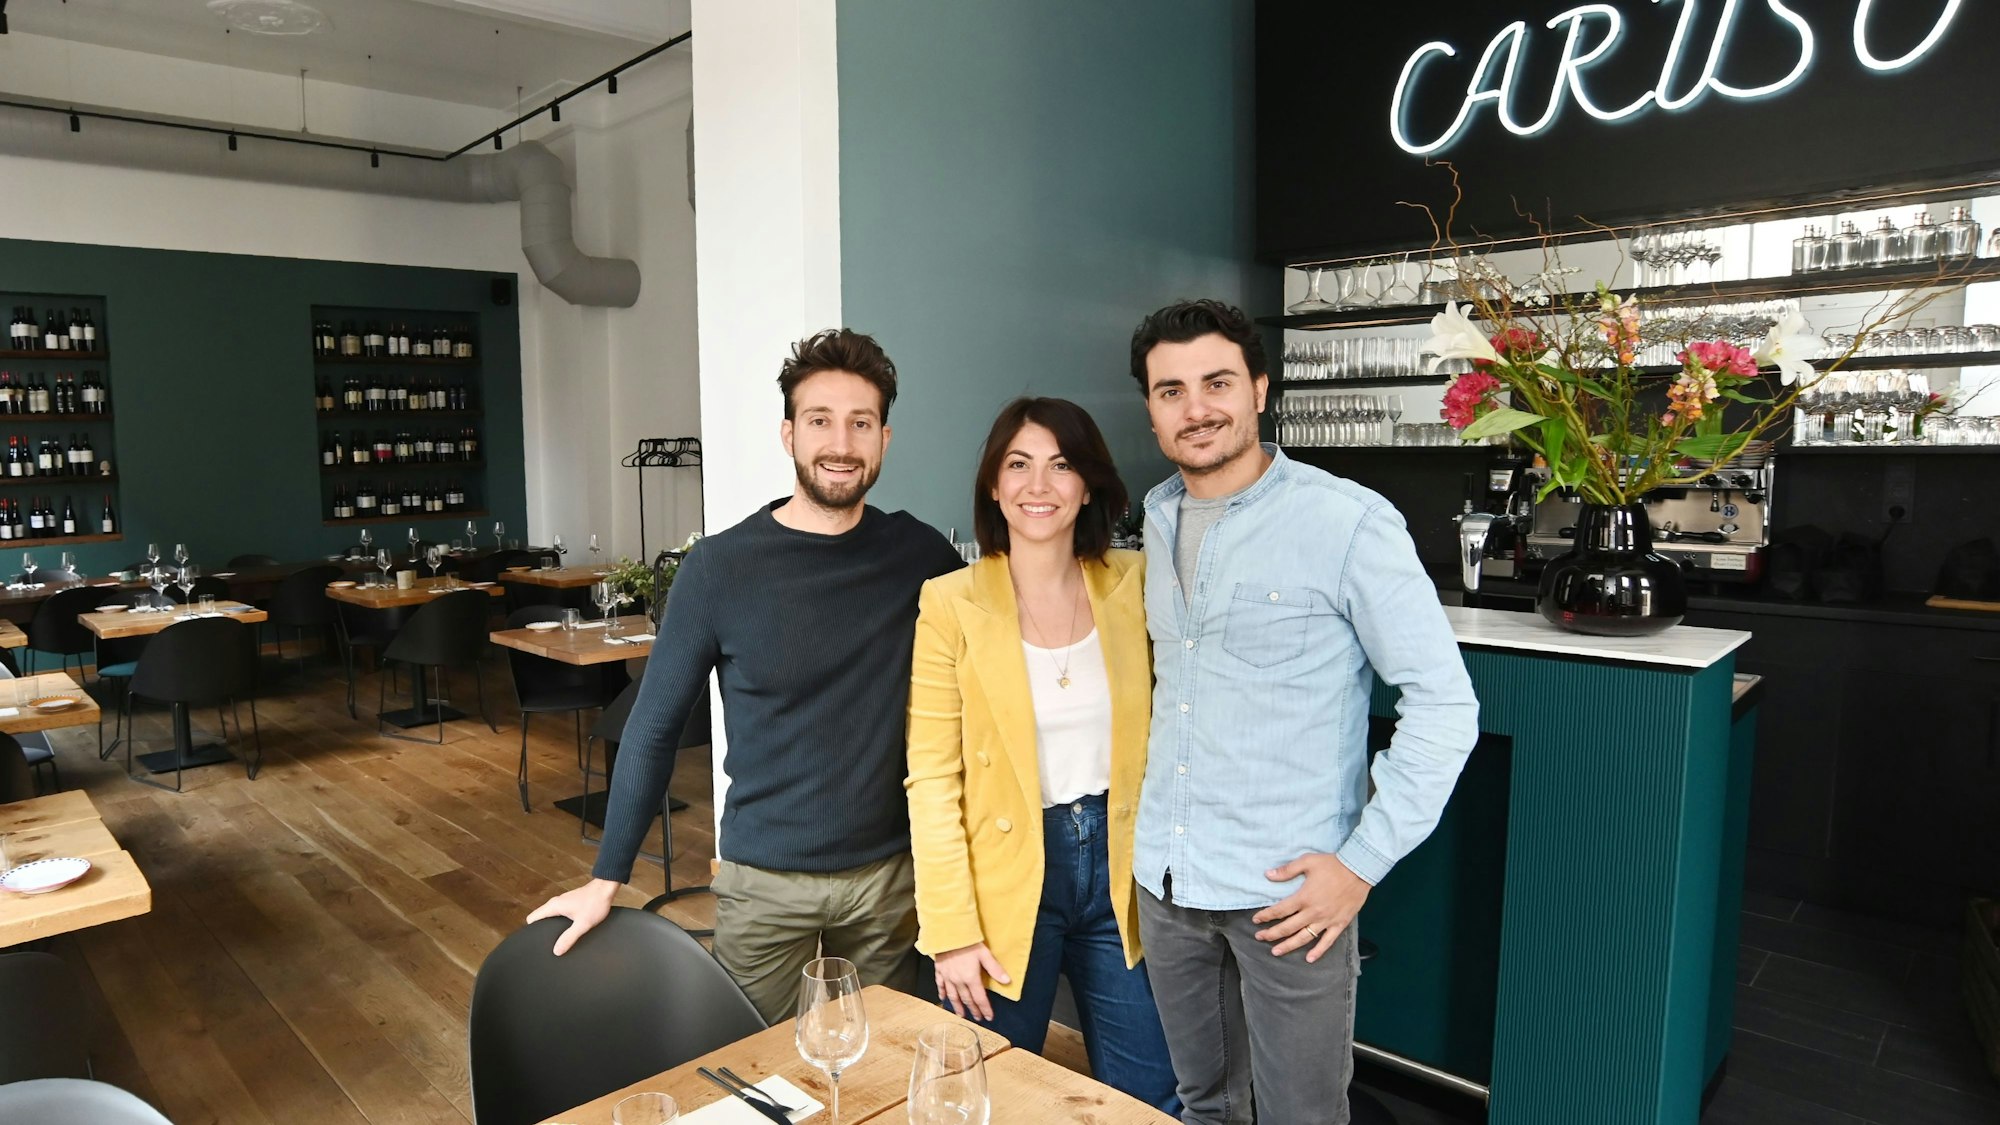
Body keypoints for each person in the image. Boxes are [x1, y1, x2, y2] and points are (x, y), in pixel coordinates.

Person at [527, 328, 963, 1022]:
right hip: (763, 883)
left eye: (860, 422)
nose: (840, 443)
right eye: (820, 420)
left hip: (889, 882)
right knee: (753, 1072)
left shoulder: (922, 556)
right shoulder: (719, 568)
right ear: (788, 434)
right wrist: (606, 876)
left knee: (883, 1067)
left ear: (884, 437)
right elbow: (653, 728)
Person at [1127, 299, 1479, 1124]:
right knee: (1203, 1105)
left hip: (1287, 899)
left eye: (1216, 382)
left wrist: (1360, 865)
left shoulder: (1347, 520)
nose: (1197, 407)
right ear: (1151, 409)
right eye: (1170, 390)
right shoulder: (1154, 516)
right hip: (1169, 880)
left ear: (1259, 389)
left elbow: (1444, 703)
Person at [906, 398, 1179, 1112]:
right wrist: (951, 931)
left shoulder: (1137, 581)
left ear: (1087, 484)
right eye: (1018, 464)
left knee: (1152, 1095)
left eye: (1062, 465)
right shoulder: (949, 602)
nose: (1039, 484)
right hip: (1005, 878)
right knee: (988, 1093)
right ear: (994, 485)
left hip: (1121, 872)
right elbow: (931, 778)